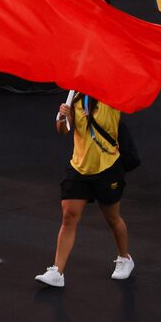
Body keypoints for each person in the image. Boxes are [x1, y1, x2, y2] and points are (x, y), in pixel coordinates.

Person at [35, 94, 135, 288]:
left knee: (113, 218)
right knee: (69, 216)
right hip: (79, 166)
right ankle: (58, 271)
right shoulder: (76, 98)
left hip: (107, 167)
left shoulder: (112, 97)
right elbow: (63, 130)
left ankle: (125, 258)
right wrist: (63, 116)